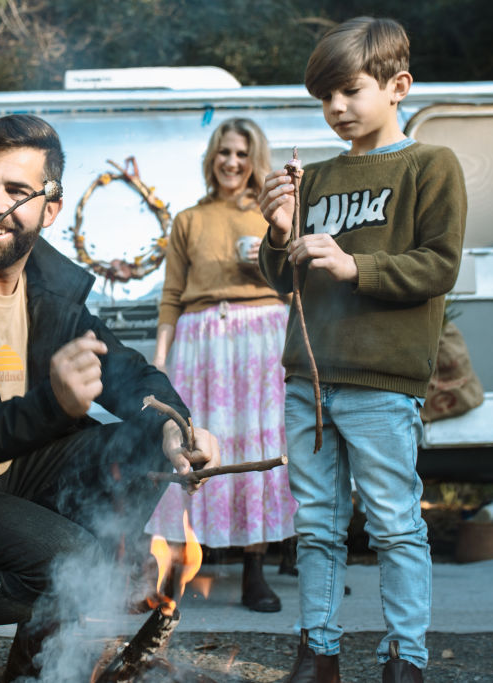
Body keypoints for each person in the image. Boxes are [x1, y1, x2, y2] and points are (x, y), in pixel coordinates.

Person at [0, 113, 220, 682]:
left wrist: (178, 426)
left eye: (17, 191)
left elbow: (129, 373)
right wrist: (53, 407)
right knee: (74, 560)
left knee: (144, 440)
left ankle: (34, 664)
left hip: (14, 478)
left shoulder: (52, 289)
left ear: (50, 209)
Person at [257, 17, 466, 683]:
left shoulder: (429, 165)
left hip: (381, 380)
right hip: (308, 382)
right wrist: (278, 231)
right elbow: (284, 279)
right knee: (316, 526)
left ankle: (405, 657)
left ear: (398, 85)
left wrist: (355, 268)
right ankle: (317, 651)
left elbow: (438, 266)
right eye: (324, 98)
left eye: (348, 90)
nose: (335, 108)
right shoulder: (312, 177)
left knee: (396, 525)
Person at [146, 117, 296, 613]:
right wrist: (160, 361)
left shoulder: (274, 216)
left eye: (242, 153)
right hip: (200, 340)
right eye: (224, 152)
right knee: (194, 443)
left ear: (256, 161)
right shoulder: (188, 218)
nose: (232, 162)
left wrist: (271, 256)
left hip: (260, 337)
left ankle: (255, 570)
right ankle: (179, 565)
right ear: (213, 157)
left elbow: (299, 287)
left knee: (256, 444)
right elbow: (171, 296)